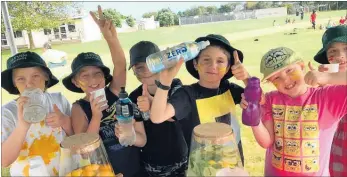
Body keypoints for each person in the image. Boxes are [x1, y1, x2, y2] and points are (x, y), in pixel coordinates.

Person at [62, 6, 146, 177]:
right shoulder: (79, 108)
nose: (93, 81)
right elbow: (85, 150)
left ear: (104, 76)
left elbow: (121, 65)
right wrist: (96, 116)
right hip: (105, 173)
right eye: (84, 76)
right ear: (75, 82)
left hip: (137, 169)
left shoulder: (115, 92)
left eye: (97, 74)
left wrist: (110, 38)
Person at [240, 47, 347, 176]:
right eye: (276, 78)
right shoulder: (269, 100)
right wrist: (254, 117)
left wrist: (329, 77)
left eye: (289, 70)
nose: (285, 80)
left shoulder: (327, 98)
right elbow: (266, 142)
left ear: (301, 66)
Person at [150, 34, 250, 165]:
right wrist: (165, 83)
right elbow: (157, 117)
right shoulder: (187, 95)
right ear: (196, 64)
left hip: (233, 166)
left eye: (220, 61)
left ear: (227, 68)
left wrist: (246, 78)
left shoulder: (229, 89)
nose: (213, 66)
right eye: (206, 60)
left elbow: (261, 101)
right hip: (202, 169)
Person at [1, 51, 72, 176]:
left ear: (46, 77)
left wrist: (65, 122)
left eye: (35, 76)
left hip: (66, 172)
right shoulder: (7, 113)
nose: (29, 83)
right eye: (21, 79)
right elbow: (4, 160)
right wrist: (22, 127)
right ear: (14, 83)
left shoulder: (59, 100)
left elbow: (76, 138)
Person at [125, 41, 188, 177]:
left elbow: (173, 118)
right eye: (139, 67)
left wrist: (152, 105)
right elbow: (139, 132)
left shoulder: (175, 86)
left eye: (151, 64)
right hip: (152, 164)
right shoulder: (134, 96)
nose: (146, 71)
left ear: (162, 63)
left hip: (180, 159)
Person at [313, 25, 347, 177]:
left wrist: (327, 78)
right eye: (333, 51)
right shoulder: (326, 86)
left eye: (346, 48)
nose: (341, 56)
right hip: (337, 150)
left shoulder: (328, 78)